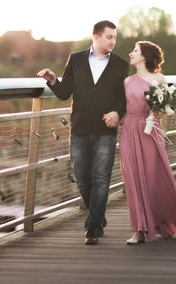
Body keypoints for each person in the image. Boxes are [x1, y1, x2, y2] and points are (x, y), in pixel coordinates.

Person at [37, 20, 129, 245]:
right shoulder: (76, 59)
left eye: (115, 37)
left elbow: (123, 98)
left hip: (105, 130)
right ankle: (98, 217)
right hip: (78, 128)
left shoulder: (120, 64)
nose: (113, 41)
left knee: (101, 179)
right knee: (82, 180)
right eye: (109, 37)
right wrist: (52, 80)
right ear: (96, 37)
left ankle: (92, 227)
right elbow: (64, 93)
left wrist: (117, 113)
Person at [119, 41, 176, 244]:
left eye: (135, 51)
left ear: (144, 56)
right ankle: (139, 230)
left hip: (150, 130)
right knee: (132, 178)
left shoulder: (159, 78)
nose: (131, 54)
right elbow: (122, 108)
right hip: (129, 129)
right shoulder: (127, 81)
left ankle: (165, 221)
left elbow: (165, 107)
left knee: (155, 177)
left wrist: (159, 111)